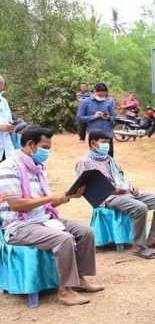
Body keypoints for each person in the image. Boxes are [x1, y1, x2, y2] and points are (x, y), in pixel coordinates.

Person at [0, 127, 104, 305]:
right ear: (30, 144)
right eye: (45, 148)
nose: (47, 152)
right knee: (64, 239)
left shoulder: (38, 169)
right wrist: (50, 198)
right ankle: (65, 291)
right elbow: (17, 204)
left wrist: (68, 196)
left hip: (42, 219)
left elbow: (45, 204)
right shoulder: (8, 167)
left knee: (86, 232)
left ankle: (79, 279)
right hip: (18, 226)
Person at [76, 130, 155, 260]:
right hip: (108, 198)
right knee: (140, 208)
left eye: (108, 142)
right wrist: (114, 190)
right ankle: (139, 246)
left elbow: (121, 179)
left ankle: (152, 238)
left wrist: (130, 187)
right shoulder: (84, 163)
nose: (107, 145)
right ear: (93, 143)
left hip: (125, 193)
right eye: (104, 142)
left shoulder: (110, 160)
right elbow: (89, 187)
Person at [76, 82, 116, 157]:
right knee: (95, 158)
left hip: (107, 135)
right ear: (94, 92)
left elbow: (114, 116)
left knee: (109, 158)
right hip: (95, 137)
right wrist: (93, 117)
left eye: (104, 95)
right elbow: (79, 117)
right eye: (100, 95)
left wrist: (108, 117)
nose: (102, 97)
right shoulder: (86, 102)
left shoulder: (108, 102)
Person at [0, 75, 17, 163]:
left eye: (1, 83)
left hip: (6, 149)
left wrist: (11, 127)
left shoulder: (4, 102)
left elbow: (9, 121)